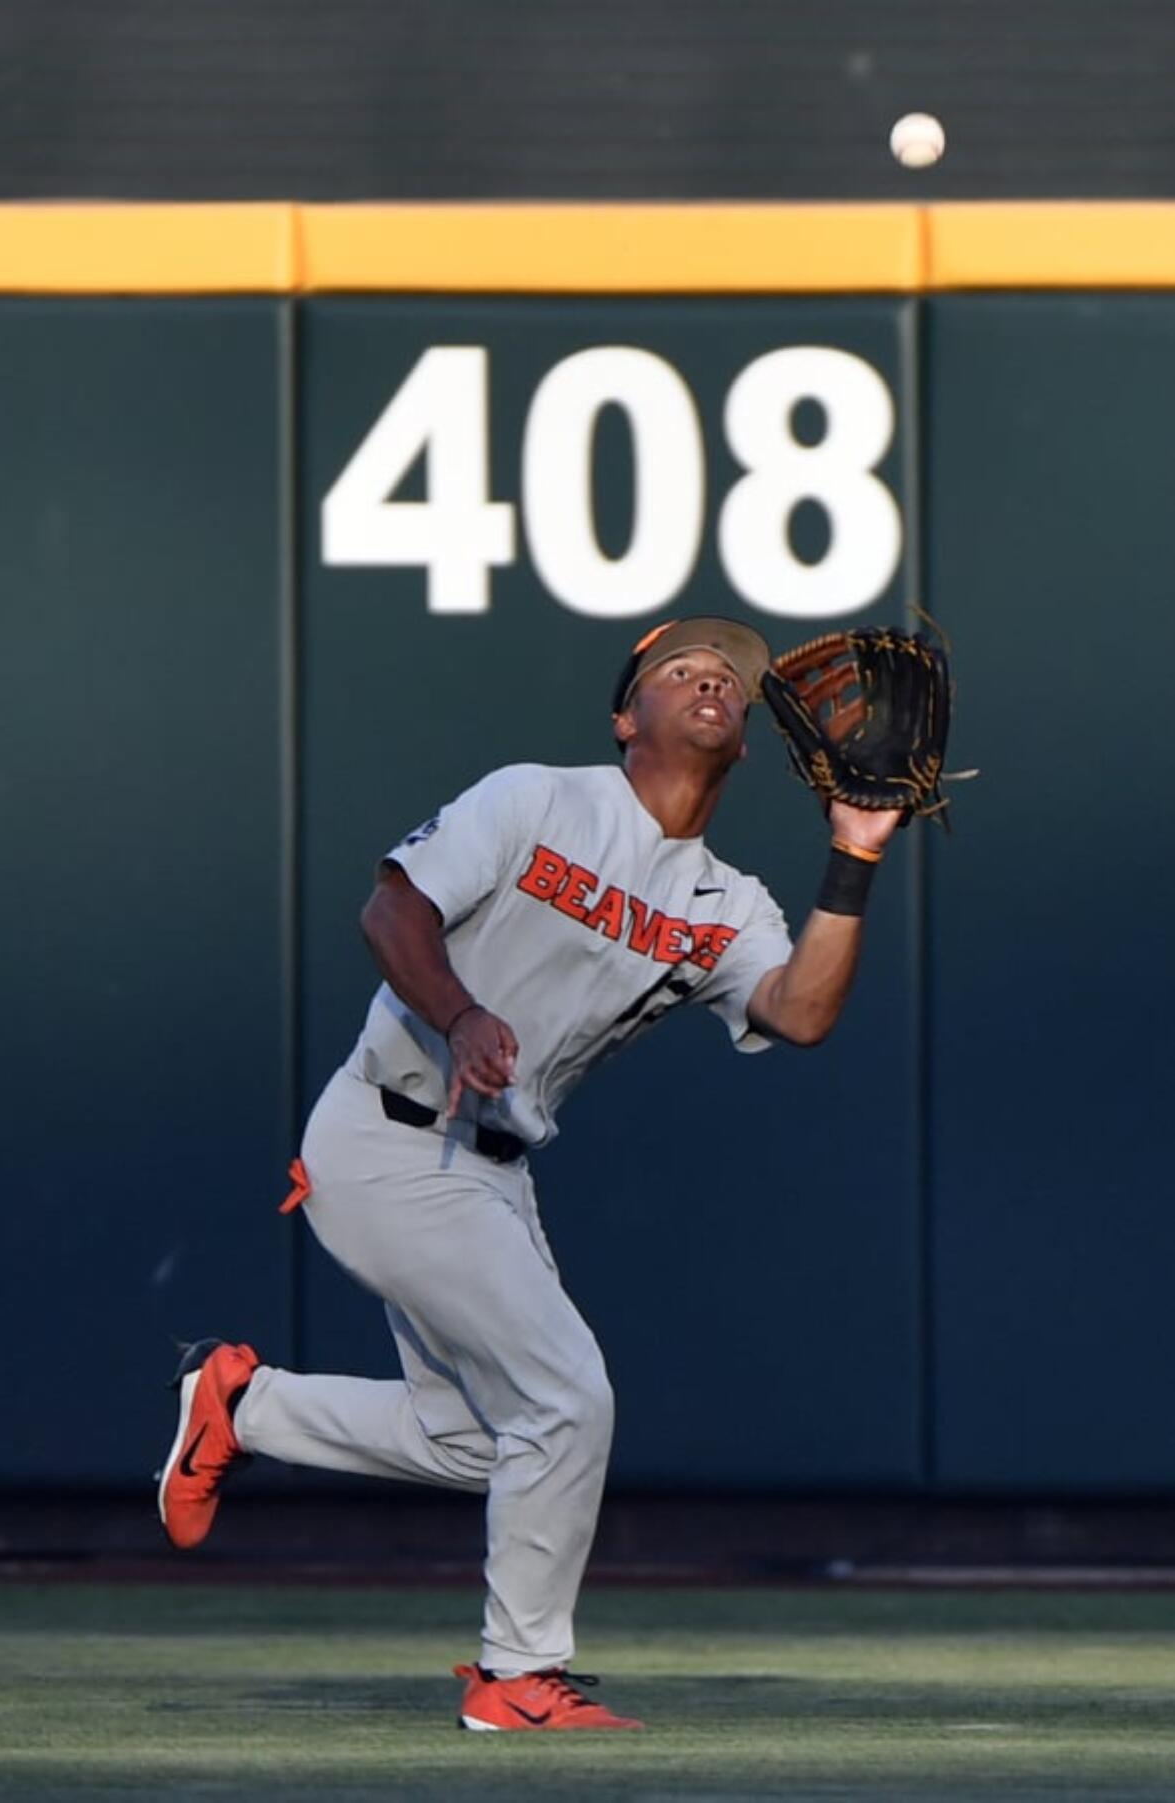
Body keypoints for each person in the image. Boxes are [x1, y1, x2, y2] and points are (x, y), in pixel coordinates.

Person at [156, 615, 901, 1732]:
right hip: (385, 1132)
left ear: (743, 740)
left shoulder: (724, 902)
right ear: (623, 716)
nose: (708, 683)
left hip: (493, 1169)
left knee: (482, 1438)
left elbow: (798, 1012)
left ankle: (244, 1407)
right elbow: (389, 907)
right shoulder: (535, 800)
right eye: (677, 671)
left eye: (727, 683)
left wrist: (853, 854)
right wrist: (457, 1015)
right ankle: (514, 1674)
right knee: (566, 1395)